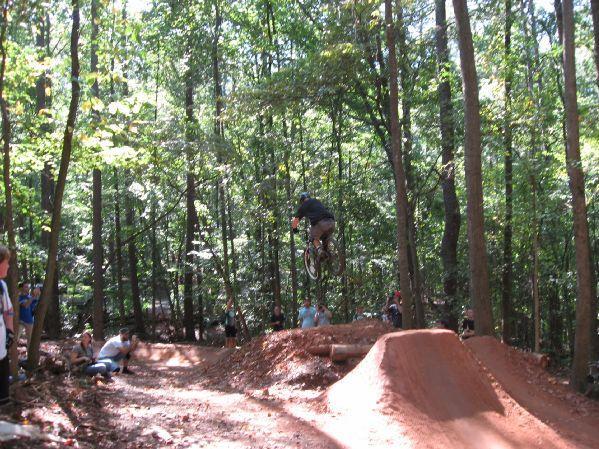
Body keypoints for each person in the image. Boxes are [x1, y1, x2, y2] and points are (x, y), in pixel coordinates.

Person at [0, 246, 15, 406]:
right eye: (6, 262)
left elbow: (8, 311)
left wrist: (10, 331)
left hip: (1, 352)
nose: (8, 266)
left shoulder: (2, 286)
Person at [18, 282, 34, 347]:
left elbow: (34, 308)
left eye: (28, 287)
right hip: (20, 321)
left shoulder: (29, 297)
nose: (28, 288)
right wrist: (33, 296)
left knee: (30, 340)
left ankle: (29, 356)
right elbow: (26, 305)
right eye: (26, 287)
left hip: (29, 321)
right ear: (21, 288)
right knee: (15, 338)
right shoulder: (18, 297)